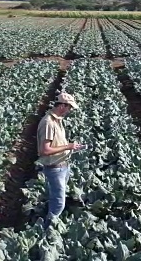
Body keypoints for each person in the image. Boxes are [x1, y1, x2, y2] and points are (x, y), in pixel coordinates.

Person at [37, 92, 83, 230]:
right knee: (59, 203)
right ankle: (47, 230)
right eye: (69, 108)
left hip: (62, 165)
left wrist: (71, 147)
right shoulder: (48, 123)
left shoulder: (57, 120)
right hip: (55, 168)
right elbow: (44, 150)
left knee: (56, 198)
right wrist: (68, 146)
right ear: (62, 106)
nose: (70, 111)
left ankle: (51, 225)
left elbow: (57, 144)